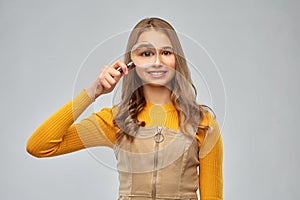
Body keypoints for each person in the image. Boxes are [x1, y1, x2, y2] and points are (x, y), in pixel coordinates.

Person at [26, 17, 223, 200]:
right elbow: (39, 146)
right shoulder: (116, 120)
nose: (157, 62)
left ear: (176, 59)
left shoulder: (202, 123)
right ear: (131, 62)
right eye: (146, 53)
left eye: (166, 52)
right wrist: (92, 92)